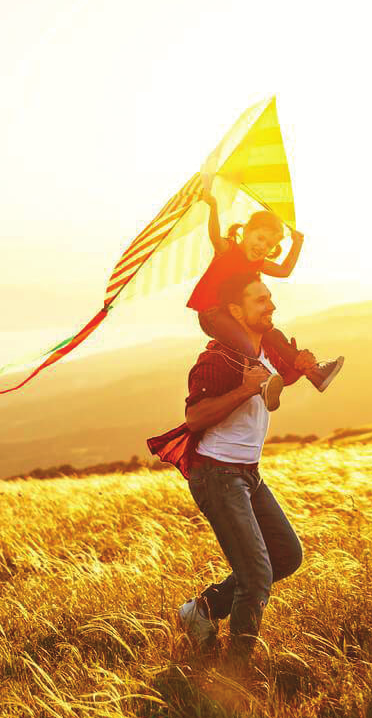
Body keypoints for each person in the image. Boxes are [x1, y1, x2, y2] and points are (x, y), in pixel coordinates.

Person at [147, 271, 311, 672]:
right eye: (260, 300)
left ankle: (200, 610)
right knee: (256, 575)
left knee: (286, 555)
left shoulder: (264, 351)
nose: (270, 304)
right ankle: (236, 673)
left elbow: (277, 380)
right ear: (235, 311)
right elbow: (195, 414)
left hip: (248, 474)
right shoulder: (217, 358)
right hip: (218, 475)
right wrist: (243, 389)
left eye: (271, 297)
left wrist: (301, 369)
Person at [185, 182, 343, 412]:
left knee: (273, 335)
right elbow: (214, 237)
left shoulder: (257, 262)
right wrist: (213, 206)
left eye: (269, 244)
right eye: (260, 238)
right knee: (246, 344)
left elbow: (284, 271)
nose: (263, 246)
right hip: (213, 314)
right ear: (246, 231)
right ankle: (262, 383)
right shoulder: (229, 250)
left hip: (238, 316)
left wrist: (297, 244)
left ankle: (314, 372)